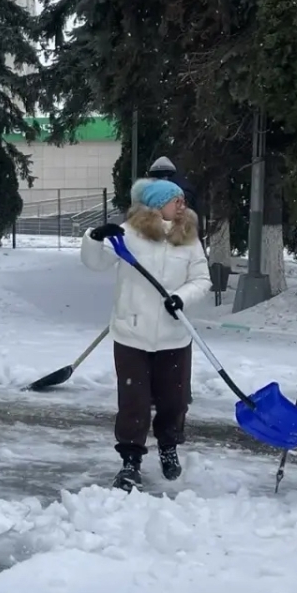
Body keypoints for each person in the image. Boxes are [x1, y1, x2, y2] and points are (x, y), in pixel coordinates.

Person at [81, 179, 211, 491]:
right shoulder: (130, 234)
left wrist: (182, 297)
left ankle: (168, 447)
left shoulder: (189, 237)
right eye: (175, 200)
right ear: (156, 204)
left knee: (174, 400)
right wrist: (93, 238)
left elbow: (202, 278)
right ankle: (130, 461)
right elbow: (95, 263)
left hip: (174, 335)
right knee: (133, 402)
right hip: (131, 333)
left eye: (182, 200)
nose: (181, 205)